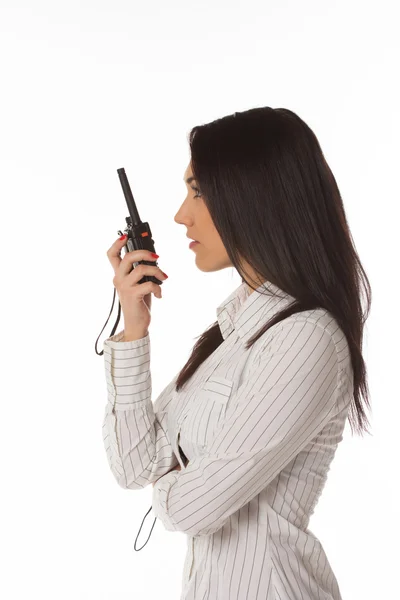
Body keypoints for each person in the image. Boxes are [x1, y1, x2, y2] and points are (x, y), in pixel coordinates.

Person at [101, 106, 372, 600]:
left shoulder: (304, 339)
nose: (182, 214)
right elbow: (134, 465)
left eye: (198, 190)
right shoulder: (231, 337)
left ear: (255, 194)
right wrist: (134, 329)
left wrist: (184, 477)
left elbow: (191, 510)